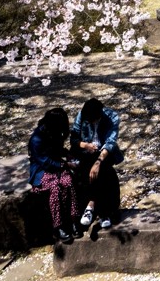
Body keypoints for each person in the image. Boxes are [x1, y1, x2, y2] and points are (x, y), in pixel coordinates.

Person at [28, 107, 81, 242]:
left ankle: (74, 220)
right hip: (42, 170)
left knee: (68, 182)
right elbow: (44, 161)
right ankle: (58, 226)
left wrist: (66, 154)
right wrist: (65, 165)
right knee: (55, 188)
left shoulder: (55, 133)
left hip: (57, 165)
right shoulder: (36, 139)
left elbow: (57, 149)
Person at [71, 97, 123, 229]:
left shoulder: (111, 117)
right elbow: (74, 138)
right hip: (86, 152)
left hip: (105, 153)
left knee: (102, 168)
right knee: (95, 172)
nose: (89, 121)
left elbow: (110, 142)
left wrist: (99, 161)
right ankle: (103, 212)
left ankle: (91, 205)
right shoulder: (82, 116)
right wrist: (85, 145)